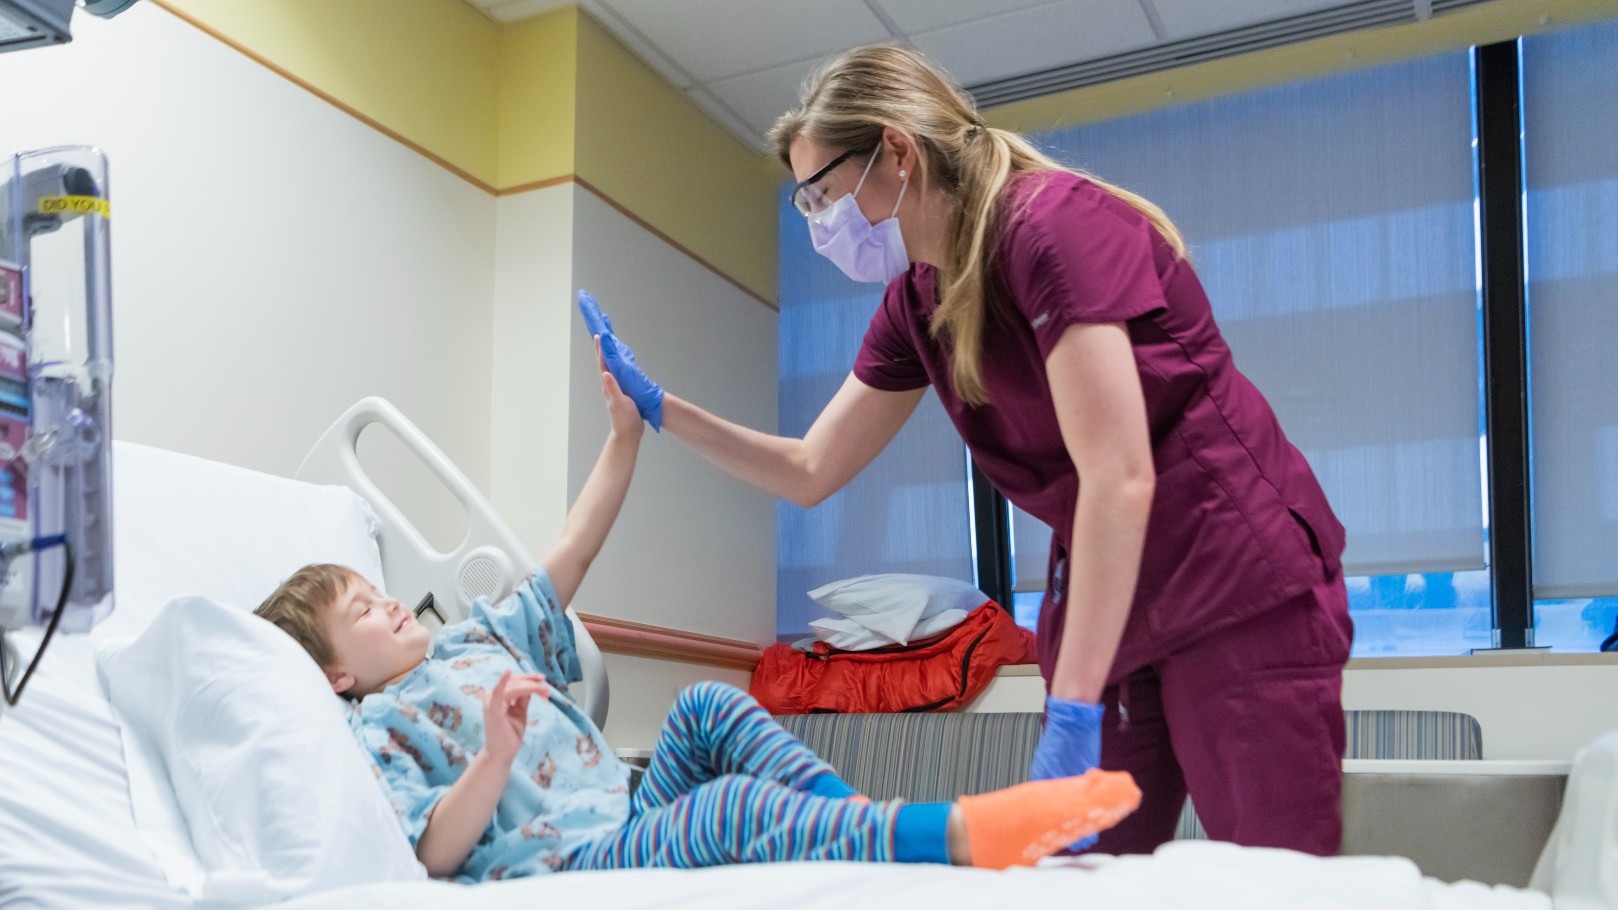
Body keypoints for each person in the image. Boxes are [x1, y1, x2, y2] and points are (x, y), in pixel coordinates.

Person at [583, 43, 1353, 856]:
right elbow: (810, 471)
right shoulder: (917, 300)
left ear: (897, 152)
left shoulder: (1052, 228)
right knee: (1087, 875)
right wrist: (665, 410)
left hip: (1230, 572)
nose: (818, 219)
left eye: (823, 192)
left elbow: (1119, 476)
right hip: (1110, 599)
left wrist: (1076, 707)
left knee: (1274, 876)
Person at [255, 347, 1142, 882]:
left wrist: (624, 438)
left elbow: (575, 548)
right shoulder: (377, 727)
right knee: (726, 810)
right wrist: (493, 756)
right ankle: (947, 835)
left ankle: (864, 823)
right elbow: (432, 855)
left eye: (376, 590)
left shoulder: (475, 636)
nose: (388, 602)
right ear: (338, 675)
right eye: (363, 612)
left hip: (629, 814)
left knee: (706, 708)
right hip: (569, 863)